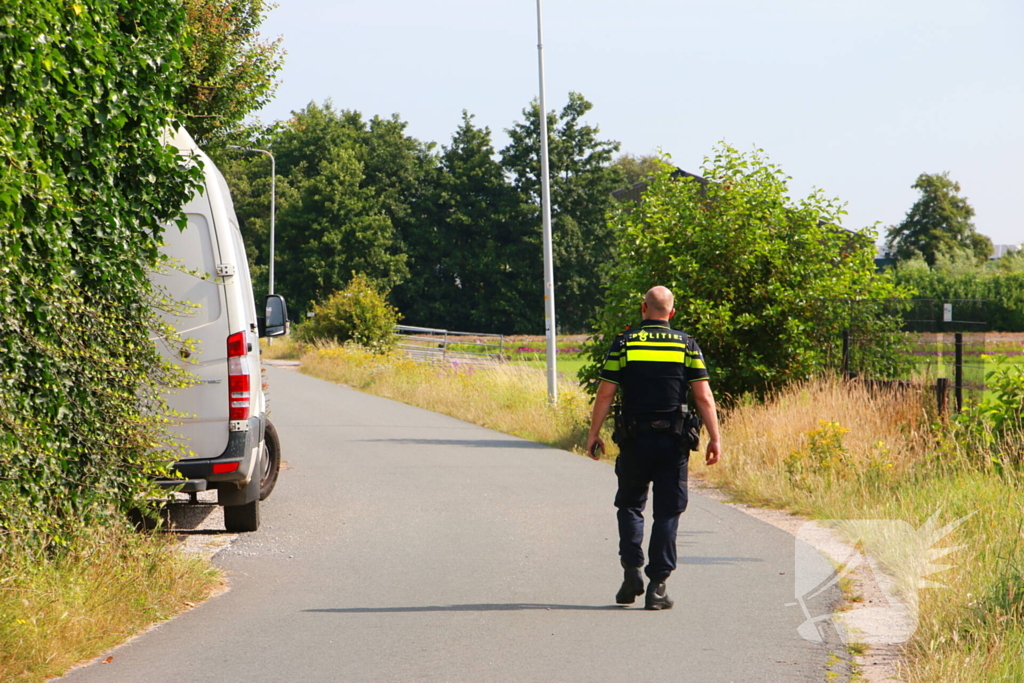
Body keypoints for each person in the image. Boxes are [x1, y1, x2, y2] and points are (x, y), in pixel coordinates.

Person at [585, 286, 722, 610]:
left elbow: (605, 394)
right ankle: (658, 586)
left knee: (631, 506)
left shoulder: (625, 343)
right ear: (671, 313)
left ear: (643, 309)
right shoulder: (686, 345)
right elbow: (703, 396)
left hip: (634, 440)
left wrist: (594, 433)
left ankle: (632, 572)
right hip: (673, 443)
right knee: (667, 512)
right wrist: (715, 437)